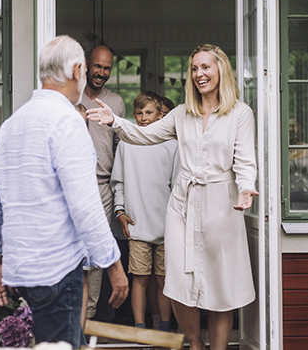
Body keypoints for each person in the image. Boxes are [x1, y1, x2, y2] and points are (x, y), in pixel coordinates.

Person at [87, 44, 258, 350]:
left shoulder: (240, 114)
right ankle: (194, 343)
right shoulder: (182, 113)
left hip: (223, 204)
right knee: (177, 283)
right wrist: (115, 121)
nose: (199, 74)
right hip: (182, 206)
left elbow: (245, 160)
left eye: (205, 67)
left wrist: (246, 187)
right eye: (194, 69)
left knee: (222, 285)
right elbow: (144, 135)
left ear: (221, 70)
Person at [0, 35, 128, 349]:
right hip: (57, 270)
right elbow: (84, 204)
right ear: (78, 70)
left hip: (22, 271)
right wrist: (114, 265)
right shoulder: (68, 123)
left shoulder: (14, 124)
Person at [110, 91, 180, 332]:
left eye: (149, 112)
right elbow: (118, 182)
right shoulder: (127, 144)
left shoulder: (172, 145)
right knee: (139, 279)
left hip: (166, 225)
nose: (143, 118)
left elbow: (178, 186)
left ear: (161, 114)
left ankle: (164, 327)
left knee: (163, 280)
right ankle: (140, 329)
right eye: (139, 113)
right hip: (137, 224)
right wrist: (119, 211)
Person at [81, 45, 127, 322]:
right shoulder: (71, 95)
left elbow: (121, 146)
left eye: (106, 68)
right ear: (86, 64)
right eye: (97, 66)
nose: (101, 73)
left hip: (102, 186)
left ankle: (90, 317)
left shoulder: (116, 102)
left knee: (98, 254)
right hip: (72, 185)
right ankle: (73, 318)